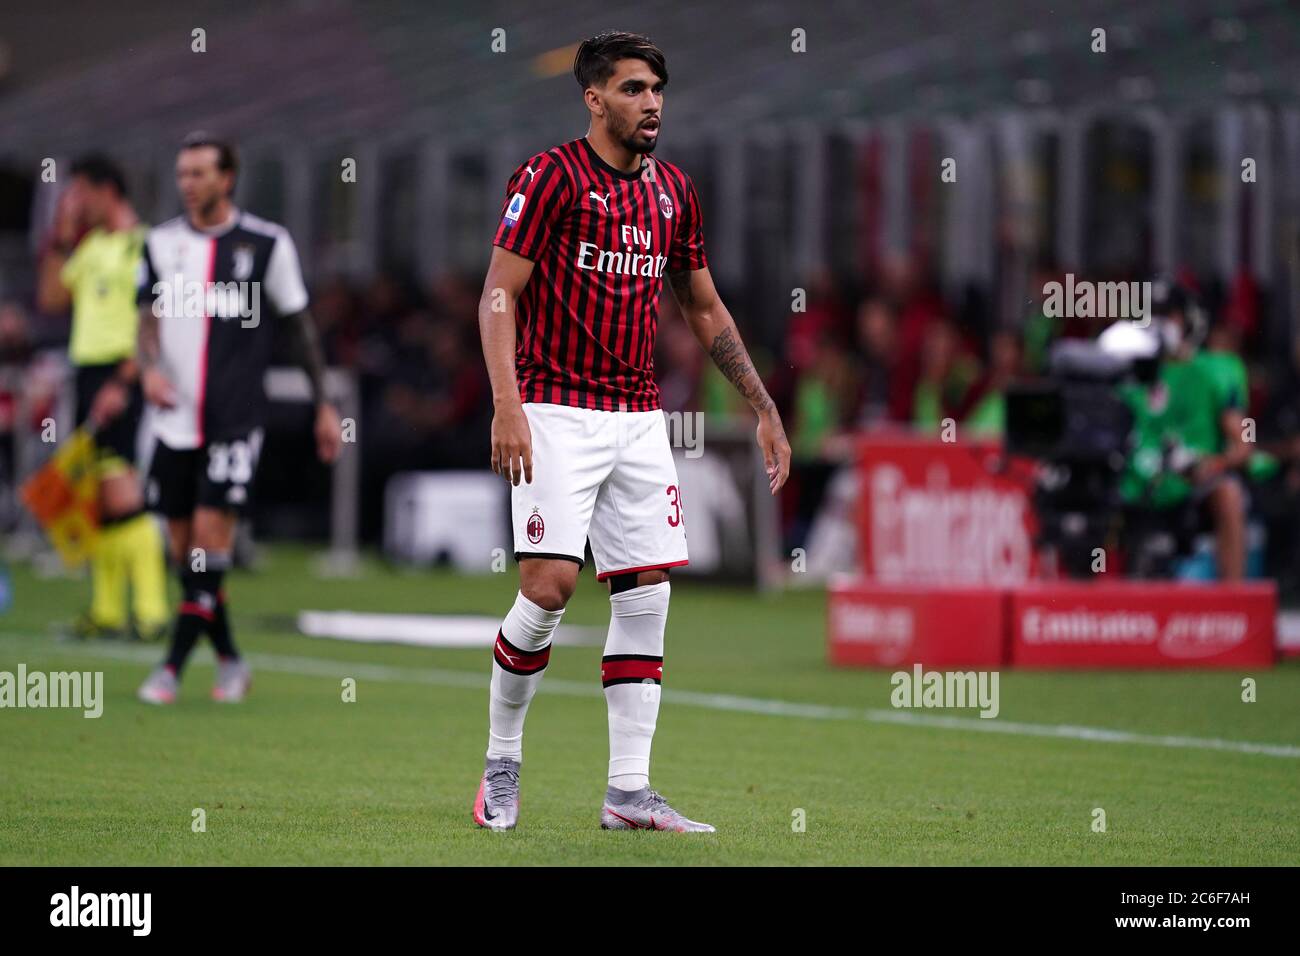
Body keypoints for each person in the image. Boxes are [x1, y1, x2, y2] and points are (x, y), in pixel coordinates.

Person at [473, 32, 790, 832]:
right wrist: (507, 404)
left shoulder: (674, 191)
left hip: (639, 418)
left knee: (646, 592)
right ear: (594, 98)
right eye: (634, 89)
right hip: (553, 410)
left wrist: (763, 405)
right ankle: (501, 762)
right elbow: (497, 295)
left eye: (658, 89)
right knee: (547, 590)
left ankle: (628, 793)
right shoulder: (548, 178)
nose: (652, 103)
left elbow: (704, 306)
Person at [135, 133, 342, 704]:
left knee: (208, 545)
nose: (188, 183)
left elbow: (299, 327)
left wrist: (324, 402)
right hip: (173, 422)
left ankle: (169, 669)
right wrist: (148, 369)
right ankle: (230, 659)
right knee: (189, 558)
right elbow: (146, 323)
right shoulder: (159, 244)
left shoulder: (267, 245)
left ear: (227, 178)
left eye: (200, 172)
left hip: (234, 420)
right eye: (182, 173)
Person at [36, 155, 168, 640]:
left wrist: (125, 379)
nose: (75, 203)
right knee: (105, 498)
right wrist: (61, 233)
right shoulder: (92, 247)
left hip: (122, 372)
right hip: (89, 374)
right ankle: (108, 611)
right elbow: (51, 298)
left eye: (80, 193)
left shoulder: (142, 245)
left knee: (122, 490)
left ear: (107, 190)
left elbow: (152, 320)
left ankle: (152, 612)